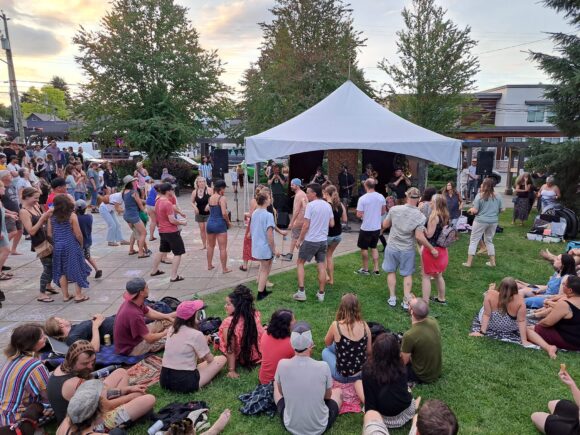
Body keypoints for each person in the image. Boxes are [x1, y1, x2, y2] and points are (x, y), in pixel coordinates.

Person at [47, 340, 153, 427]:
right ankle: (126, 414)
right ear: (73, 361)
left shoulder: (61, 368)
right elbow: (106, 406)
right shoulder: (75, 384)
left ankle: (128, 408)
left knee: (120, 372)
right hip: (85, 426)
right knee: (148, 399)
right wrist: (131, 396)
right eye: (85, 363)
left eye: (92, 361)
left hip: (88, 410)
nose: (90, 366)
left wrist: (126, 390)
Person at [274, 321, 342, 435]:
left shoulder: (282, 364)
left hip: (290, 425)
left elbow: (282, 393)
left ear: (291, 344)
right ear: (311, 343)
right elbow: (327, 396)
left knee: (275, 385)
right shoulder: (323, 366)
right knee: (339, 392)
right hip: (319, 427)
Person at [382, 187, 438, 309]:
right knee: (407, 274)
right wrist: (431, 248)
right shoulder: (420, 216)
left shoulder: (394, 209)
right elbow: (419, 236)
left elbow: (385, 225)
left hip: (392, 246)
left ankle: (392, 298)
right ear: (418, 199)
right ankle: (406, 300)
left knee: (391, 271)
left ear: (407, 196)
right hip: (407, 249)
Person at [160, 300, 227, 393]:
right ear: (192, 316)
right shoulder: (196, 334)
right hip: (185, 383)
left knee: (199, 365)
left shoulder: (171, 329)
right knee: (221, 359)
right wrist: (203, 342)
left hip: (164, 379)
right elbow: (210, 360)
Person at [55, 378, 154, 435]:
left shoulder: (65, 425)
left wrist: (126, 390)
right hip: (103, 425)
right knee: (117, 433)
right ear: (99, 415)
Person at [322, 294, 371, 402]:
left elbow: (327, 342)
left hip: (342, 376)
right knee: (334, 348)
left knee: (325, 351)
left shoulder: (336, 325)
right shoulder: (364, 325)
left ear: (341, 307)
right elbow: (369, 351)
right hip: (361, 372)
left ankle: (341, 353)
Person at [362, 333, 415, 430]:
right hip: (405, 412)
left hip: (381, 418)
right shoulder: (401, 365)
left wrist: (370, 417)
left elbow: (370, 402)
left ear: (376, 351)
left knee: (357, 383)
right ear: (396, 350)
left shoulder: (367, 370)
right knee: (407, 389)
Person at [0, 324, 50, 426]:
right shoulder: (36, 366)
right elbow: (48, 396)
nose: (45, 337)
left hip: (4, 417)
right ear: (31, 343)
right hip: (18, 421)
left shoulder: (11, 359)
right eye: (41, 337)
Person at [293, 183, 334, 303]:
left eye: (308, 192)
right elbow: (332, 224)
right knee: (321, 265)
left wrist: (299, 240)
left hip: (311, 240)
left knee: (300, 263)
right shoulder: (328, 205)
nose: (306, 194)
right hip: (323, 241)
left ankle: (301, 292)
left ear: (314, 193)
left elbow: (305, 225)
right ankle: (321, 294)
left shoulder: (310, 206)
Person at [113, 278, 175, 356]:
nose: (148, 289)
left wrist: (167, 316)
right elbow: (150, 339)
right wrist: (165, 333)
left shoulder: (134, 302)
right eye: (147, 287)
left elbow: (148, 312)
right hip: (132, 348)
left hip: (137, 338)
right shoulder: (134, 315)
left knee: (165, 321)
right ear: (141, 292)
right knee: (174, 336)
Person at [48, 195, 91, 303]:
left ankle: (66, 296)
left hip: (58, 245)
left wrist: (56, 242)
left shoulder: (51, 216)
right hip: (71, 244)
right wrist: (81, 245)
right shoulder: (71, 215)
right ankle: (78, 295)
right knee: (77, 267)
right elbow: (78, 234)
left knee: (61, 270)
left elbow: (49, 233)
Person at [19, 187, 58, 301]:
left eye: (38, 198)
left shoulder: (35, 206)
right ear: (26, 197)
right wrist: (43, 218)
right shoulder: (24, 211)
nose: (37, 201)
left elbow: (43, 221)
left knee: (53, 264)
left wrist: (48, 215)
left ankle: (48, 285)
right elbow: (31, 231)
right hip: (39, 242)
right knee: (48, 267)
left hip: (46, 237)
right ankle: (41, 293)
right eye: (35, 198)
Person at [527, 276, 580, 359]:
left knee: (527, 330)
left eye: (564, 285)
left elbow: (547, 323)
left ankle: (548, 347)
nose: (562, 285)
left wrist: (538, 326)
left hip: (569, 340)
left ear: (570, 290)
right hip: (576, 339)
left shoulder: (565, 304)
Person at [218, 285, 264, 378]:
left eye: (228, 304)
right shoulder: (254, 314)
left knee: (219, 338)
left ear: (238, 306)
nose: (225, 306)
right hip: (257, 355)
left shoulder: (229, 323)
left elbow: (230, 349)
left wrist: (232, 370)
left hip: (242, 357)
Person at [469, 278, 531, 345]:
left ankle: (490, 289)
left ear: (500, 286)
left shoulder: (490, 294)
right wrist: (524, 340)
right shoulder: (520, 300)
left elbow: (486, 314)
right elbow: (521, 321)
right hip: (510, 328)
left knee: (486, 305)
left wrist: (482, 332)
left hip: (491, 325)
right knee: (523, 317)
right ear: (515, 289)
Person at [149, 183, 186, 281]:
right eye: (172, 190)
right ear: (168, 191)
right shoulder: (167, 203)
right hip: (171, 231)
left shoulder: (158, 201)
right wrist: (182, 222)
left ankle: (154, 270)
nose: (173, 191)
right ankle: (174, 276)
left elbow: (157, 216)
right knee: (178, 253)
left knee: (162, 250)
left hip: (162, 230)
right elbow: (172, 220)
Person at [463, 177, 503, 268]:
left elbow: (475, 211)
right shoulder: (498, 195)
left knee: (473, 240)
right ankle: (492, 263)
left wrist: (470, 210)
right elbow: (502, 209)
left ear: (485, 185)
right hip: (493, 221)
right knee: (489, 241)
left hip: (480, 221)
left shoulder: (479, 196)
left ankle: (469, 263)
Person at [401, 297, 442, 384]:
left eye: (409, 304)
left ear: (411, 311)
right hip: (436, 371)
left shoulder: (409, 335)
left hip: (422, 375)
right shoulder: (433, 321)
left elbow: (403, 362)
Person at [531, 366, 580, 435]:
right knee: (551, 403)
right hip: (577, 417)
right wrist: (572, 384)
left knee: (535, 416)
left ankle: (559, 423)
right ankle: (559, 421)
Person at [421, 194, 450, 304]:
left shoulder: (433, 216)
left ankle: (425, 302)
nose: (429, 203)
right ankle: (441, 298)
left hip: (431, 249)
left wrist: (422, 228)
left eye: (432, 201)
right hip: (442, 249)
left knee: (426, 276)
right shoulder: (445, 215)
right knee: (439, 275)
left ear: (436, 203)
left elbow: (429, 235)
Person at [250, 192, 279, 300]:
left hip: (257, 245)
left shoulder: (255, 213)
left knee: (264, 268)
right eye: (269, 198)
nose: (271, 199)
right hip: (264, 247)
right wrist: (274, 249)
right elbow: (270, 235)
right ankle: (260, 293)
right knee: (264, 270)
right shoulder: (268, 215)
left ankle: (263, 290)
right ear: (266, 201)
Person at [356, 178, 386, 276]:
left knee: (364, 248)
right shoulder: (381, 196)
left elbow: (359, 215)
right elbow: (383, 212)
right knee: (374, 247)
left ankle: (365, 269)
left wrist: (365, 215)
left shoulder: (362, 198)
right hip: (376, 227)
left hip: (366, 227)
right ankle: (376, 269)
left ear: (365, 185)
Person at [259, 309, 295, 385]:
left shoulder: (265, 334)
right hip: (280, 384)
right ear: (285, 325)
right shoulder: (291, 343)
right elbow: (300, 362)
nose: (295, 321)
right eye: (293, 320)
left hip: (264, 379)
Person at [45, 315, 115, 351]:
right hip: (117, 327)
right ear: (61, 325)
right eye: (61, 319)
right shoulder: (72, 338)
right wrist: (95, 326)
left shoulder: (74, 328)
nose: (64, 318)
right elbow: (94, 348)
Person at [206, 179, 232, 273]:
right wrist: (228, 222)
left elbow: (207, 209)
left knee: (210, 246)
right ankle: (224, 269)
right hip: (220, 224)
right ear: (221, 188)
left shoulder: (210, 198)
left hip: (210, 223)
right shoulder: (222, 198)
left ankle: (209, 265)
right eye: (224, 188)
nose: (224, 191)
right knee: (222, 248)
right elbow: (224, 213)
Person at [324, 185, 347, 285]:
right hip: (338, 235)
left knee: (321, 256)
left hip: (327, 235)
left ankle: (325, 275)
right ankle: (331, 279)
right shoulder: (340, 204)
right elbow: (345, 219)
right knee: (329, 256)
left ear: (327, 194)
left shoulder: (326, 205)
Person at [281, 179, 308, 262]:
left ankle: (290, 255)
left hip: (299, 220)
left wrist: (292, 222)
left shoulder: (298, 195)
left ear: (297, 185)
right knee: (300, 238)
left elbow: (296, 210)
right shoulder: (302, 194)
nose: (291, 186)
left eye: (292, 185)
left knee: (294, 238)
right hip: (303, 220)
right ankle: (299, 254)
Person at [121, 175, 148, 258]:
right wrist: (144, 211)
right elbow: (139, 203)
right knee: (143, 233)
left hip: (126, 215)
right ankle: (140, 253)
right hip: (133, 215)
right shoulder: (134, 192)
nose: (135, 182)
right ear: (130, 183)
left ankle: (131, 250)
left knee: (135, 232)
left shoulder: (124, 191)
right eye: (133, 181)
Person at [75, 199, 102, 279]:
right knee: (88, 256)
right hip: (88, 240)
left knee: (80, 257)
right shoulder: (89, 217)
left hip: (79, 242)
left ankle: (84, 272)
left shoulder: (76, 219)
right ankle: (97, 269)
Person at [0, 170, 23, 255]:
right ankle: (2, 247)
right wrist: (8, 213)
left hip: (16, 211)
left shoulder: (12, 186)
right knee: (12, 232)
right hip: (8, 214)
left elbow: (16, 199)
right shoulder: (1, 188)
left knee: (20, 230)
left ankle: (13, 249)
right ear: (4, 177)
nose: (11, 176)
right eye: (9, 175)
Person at [191, 176, 212, 250]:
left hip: (208, 213)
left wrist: (208, 205)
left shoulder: (209, 190)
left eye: (203, 181)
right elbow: (192, 202)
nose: (202, 183)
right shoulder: (194, 192)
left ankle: (209, 244)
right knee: (202, 229)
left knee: (207, 229)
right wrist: (195, 207)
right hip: (199, 213)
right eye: (200, 181)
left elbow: (213, 199)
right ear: (197, 183)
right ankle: (204, 245)